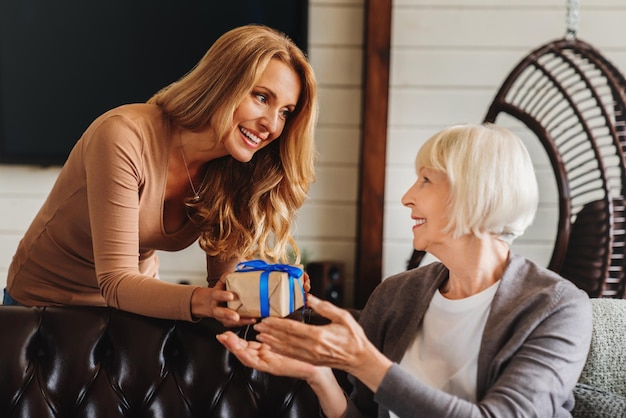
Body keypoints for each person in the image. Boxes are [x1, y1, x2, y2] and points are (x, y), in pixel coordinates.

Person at [218, 123, 593, 417]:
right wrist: (317, 374)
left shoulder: (557, 308)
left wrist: (364, 362)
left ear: (476, 191)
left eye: (426, 180)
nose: (407, 196)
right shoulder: (396, 295)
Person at [4, 24, 317, 327]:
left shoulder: (237, 168)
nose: (272, 126)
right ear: (221, 83)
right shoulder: (123, 136)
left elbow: (227, 286)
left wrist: (269, 291)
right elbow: (116, 281)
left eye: (285, 112)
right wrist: (207, 301)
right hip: (43, 309)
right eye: (262, 97)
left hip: (131, 309)